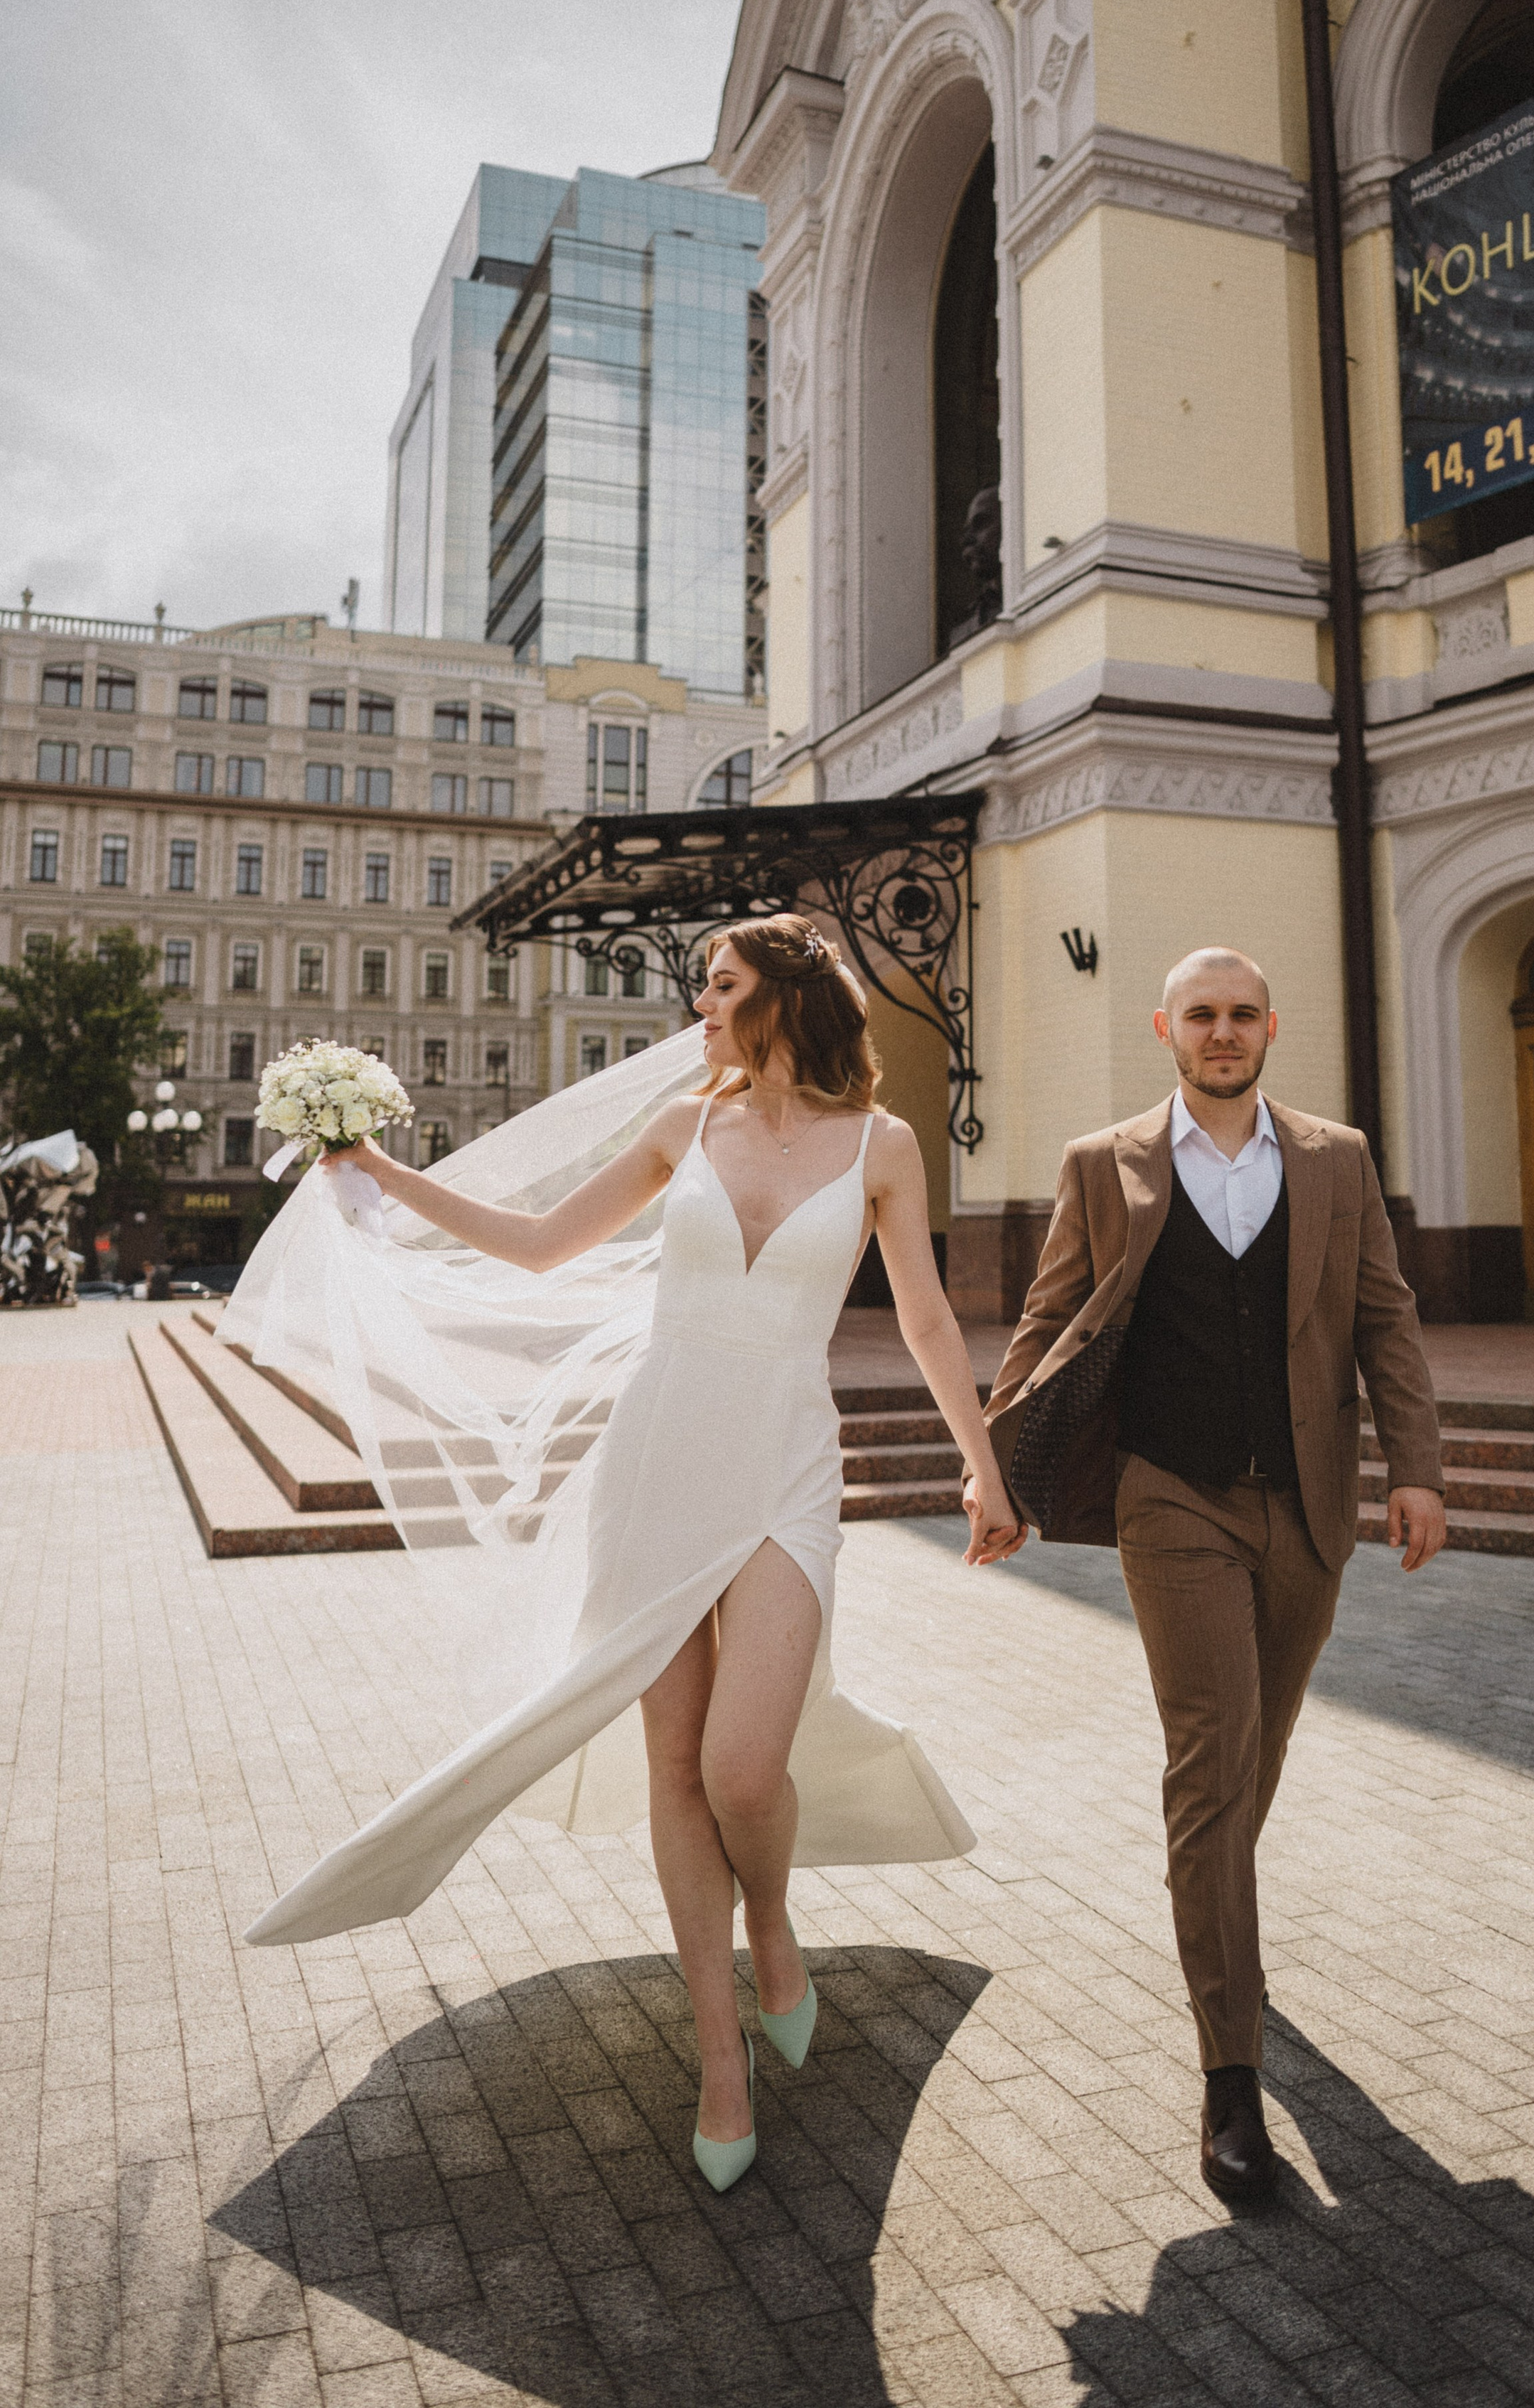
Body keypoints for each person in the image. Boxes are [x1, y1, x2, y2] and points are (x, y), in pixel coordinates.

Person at [242, 916, 1024, 2191]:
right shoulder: (685, 1127)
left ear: (785, 997)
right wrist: (380, 1170)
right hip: (658, 1455)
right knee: (675, 1760)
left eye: (721, 986)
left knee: (743, 1763)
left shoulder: (884, 1146)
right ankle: (722, 2054)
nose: (701, 1006)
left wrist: (983, 1464)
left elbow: (928, 1313)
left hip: (785, 1462)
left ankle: (770, 1921)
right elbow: (540, 1240)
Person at [979, 947, 1444, 2205]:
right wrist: (995, 1468)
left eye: (1243, 1014)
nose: (1224, 1032)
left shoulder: (1338, 1159)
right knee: (1210, 1751)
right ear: (1165, 1028)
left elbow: (1387, 1318)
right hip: (1168, 1492)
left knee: (1256, 1756)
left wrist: (1417, 1466)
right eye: (1203, 1014)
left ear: (1271, 1027)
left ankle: (1217, 1924)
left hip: (1304, 1502)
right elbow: (1047, 1316)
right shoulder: (1104, 1162)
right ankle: (1229, 2075)